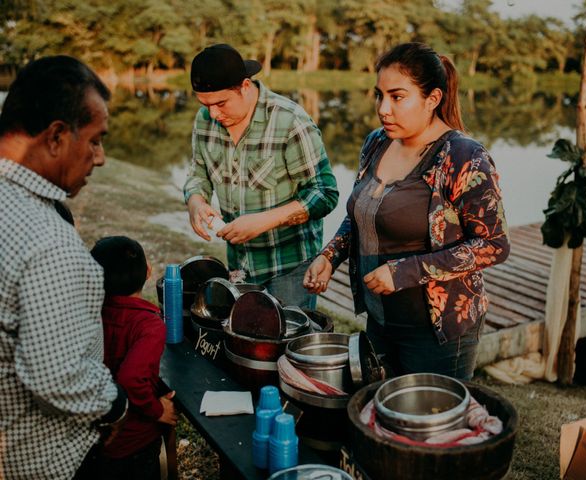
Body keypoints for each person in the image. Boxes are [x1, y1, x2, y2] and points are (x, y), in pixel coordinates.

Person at [304, 43, 510, 380]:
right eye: (379, 95)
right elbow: (363, 213)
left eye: (397, 97)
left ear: (433, 99)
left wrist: (404, 272)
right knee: (380, 417)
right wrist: (329, 256)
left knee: (430, 426)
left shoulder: (464, 157)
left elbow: (494, 245)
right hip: (380, 320)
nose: (384, 108)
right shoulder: (376, 142)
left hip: (436, 331)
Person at [0, 56, 128, 479]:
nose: (102, 157)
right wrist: (113, 406)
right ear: (55, 136)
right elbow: (56, 376)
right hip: (39, 461)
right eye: (94, 140)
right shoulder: (49, 243)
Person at [184, 44, 339, 309]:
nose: (213, 114)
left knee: (285, 348)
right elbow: (198, 173)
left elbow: (325, 193)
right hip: (240, 264)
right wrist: (196, 201)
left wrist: (264, 221)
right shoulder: (205, 120)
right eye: (205, 104)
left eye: (220, 103)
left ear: (245, 86)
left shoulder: (291, 121)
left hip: (289, 269)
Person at [90, 236, 177, 479]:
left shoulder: (91, 311)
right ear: (148, 272)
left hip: (94, 438)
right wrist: (157, 408)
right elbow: (130, 378)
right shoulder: (150, 324)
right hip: (133, 444)